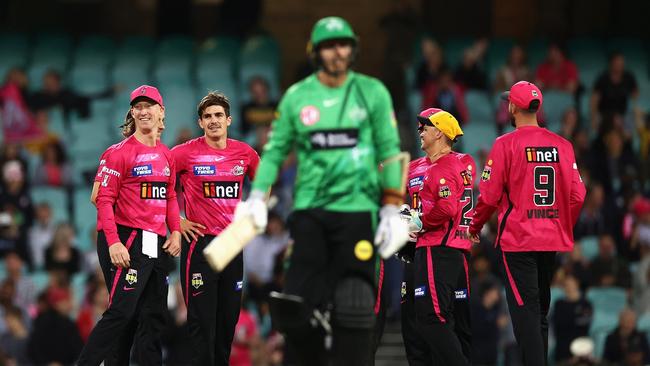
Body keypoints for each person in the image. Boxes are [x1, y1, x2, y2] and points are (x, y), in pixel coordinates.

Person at [236, 16, 408, 365]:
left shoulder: (372, 92)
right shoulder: (298, 97)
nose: (337, 52)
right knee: (298, 302)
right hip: (310, 211)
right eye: (329, 46)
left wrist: (392, 207)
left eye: (343, 44)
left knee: (358, 305)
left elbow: (390, 151)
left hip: (358, 211)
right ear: (315, 52)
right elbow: (275, 151)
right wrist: (256, 196)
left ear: (353, 48)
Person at [468, 81, 587, 366]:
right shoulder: (562, 145)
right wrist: (559, 225)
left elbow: (488, 196)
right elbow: (578, 195)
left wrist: (473, 227)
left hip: (518, 240)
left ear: (512, 106)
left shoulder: (505, 144)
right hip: (549, 239)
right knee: (538, 314)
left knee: (526, 318)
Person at [76, 85, 181, 366]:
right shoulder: (118, 153)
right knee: (123, 313)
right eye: (138, 107)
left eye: (150, 106)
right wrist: (113, 241)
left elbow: (170, 196)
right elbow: (101, 199)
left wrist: (177, 231)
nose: (144, 111)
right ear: (132, 112)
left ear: (161, 112)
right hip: (126, 237)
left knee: (154, 315)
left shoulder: (166, 155)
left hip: (155, 241)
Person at [171, 91, 260, 365]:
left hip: (232, 243)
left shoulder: (244, 153)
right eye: (207, 116)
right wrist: (177, 221)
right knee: (201, 324)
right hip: (200, 243)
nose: (213, 120)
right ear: (200, 122)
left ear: (229, 120)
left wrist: (257, 208)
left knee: (227, 323)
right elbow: (161, 184)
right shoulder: (184, 153)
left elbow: (264, 180)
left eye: (218, 115)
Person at [399, 108, 472, 365]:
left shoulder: (444, 166)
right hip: (441, 248)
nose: (419, 131)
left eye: (425, 127)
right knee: (442, 321)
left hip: (435, 246)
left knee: (432, 319)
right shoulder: (464, 163)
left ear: (439, 132)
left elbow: (447, 208)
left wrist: (418, 223)